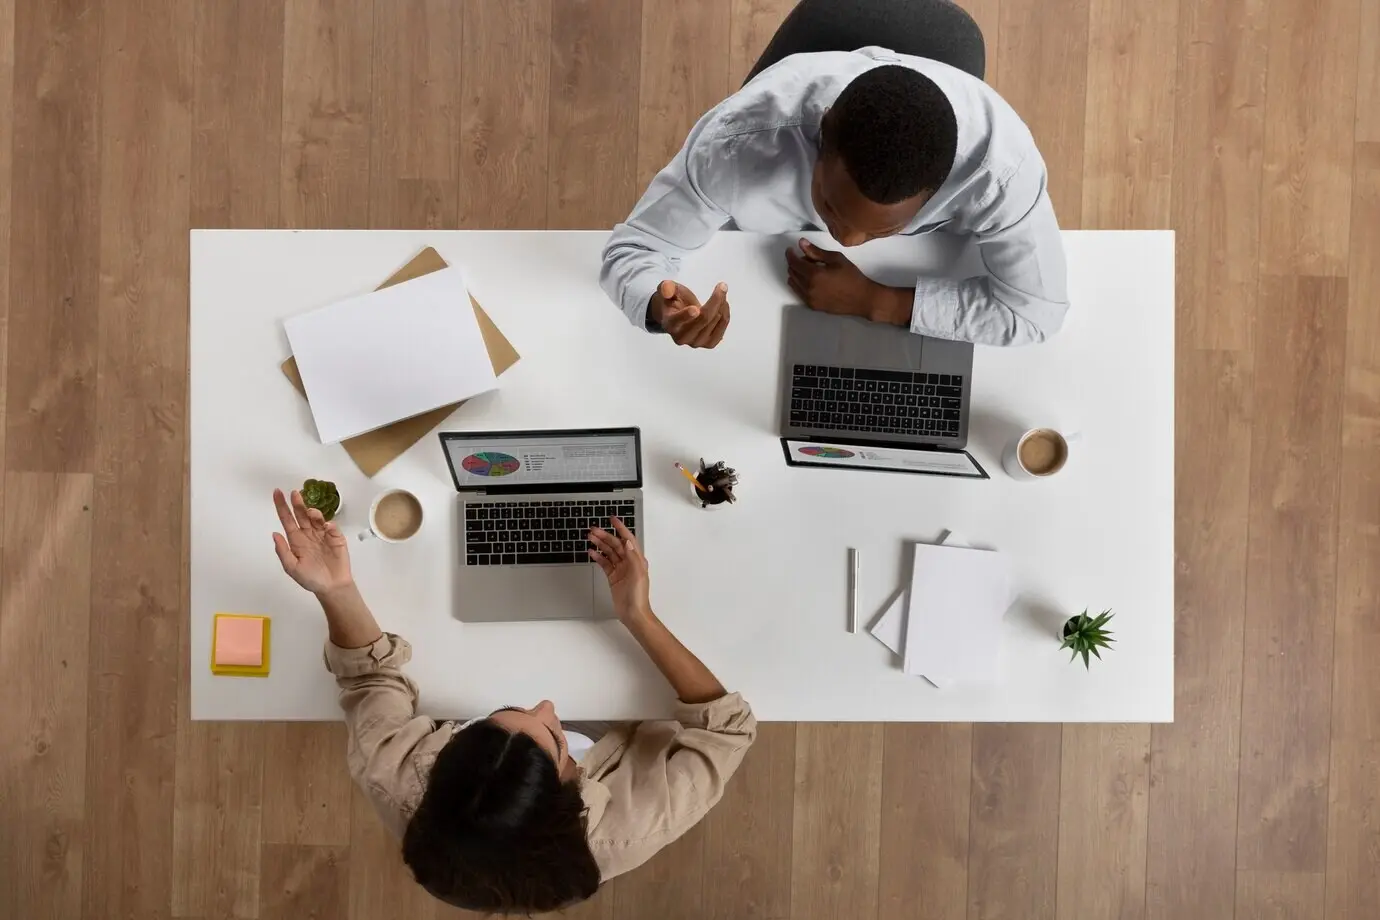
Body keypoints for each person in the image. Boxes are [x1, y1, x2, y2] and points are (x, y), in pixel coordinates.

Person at [269, 488, 756, 913]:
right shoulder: (629, 829)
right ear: (573, 786)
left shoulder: (391, 774)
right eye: (555, 738)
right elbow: (728, 730)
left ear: (442, 759)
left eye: (514, 712)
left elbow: (370, 680)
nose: (547, 703)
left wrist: (334, 590)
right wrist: (638, 615)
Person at [600, 47, 1068, 350]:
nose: (846, 240)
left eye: (885, 230)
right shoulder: (738, 141)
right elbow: (637, 249)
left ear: (944, 185)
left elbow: (1036, 314)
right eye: (830, 207)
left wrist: (878, 302)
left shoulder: (1001, 173)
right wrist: (660, 308)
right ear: (820, 135)